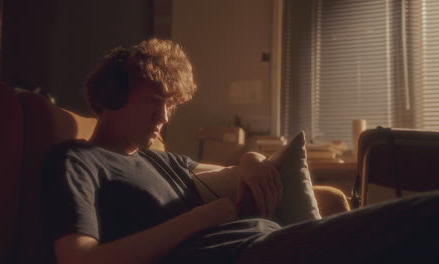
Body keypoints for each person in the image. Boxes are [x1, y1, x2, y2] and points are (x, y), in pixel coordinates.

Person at [42, 38, 439, 264]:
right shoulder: (77, 161)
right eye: (152, 100)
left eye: (170, 103)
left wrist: (251, 160)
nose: (164, 115)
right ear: (112, 97)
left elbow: (236, 167)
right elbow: (80, 260)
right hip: (243, 254)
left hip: (274, 240)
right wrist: (199, 219)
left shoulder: (163, 160)